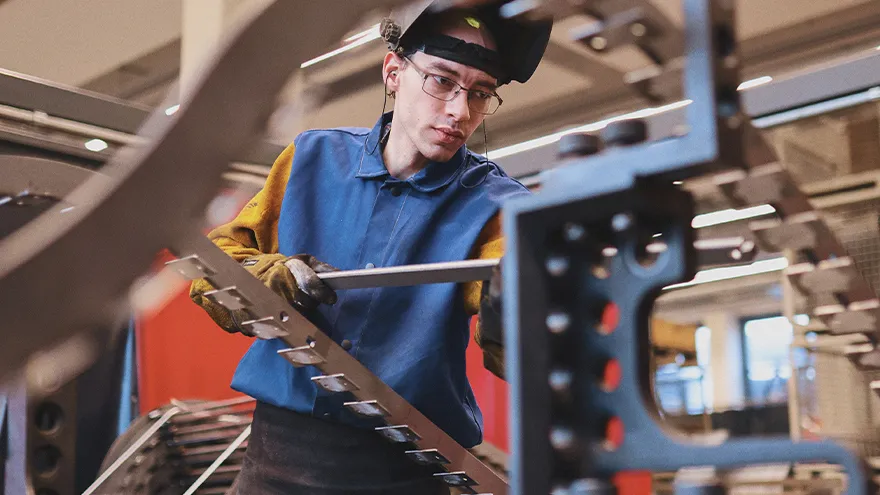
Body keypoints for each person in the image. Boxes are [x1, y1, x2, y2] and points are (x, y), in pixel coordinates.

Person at [189, 1, 551, 493]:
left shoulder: (496, 208)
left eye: (481, 93)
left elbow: (516, 335)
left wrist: (517, 309)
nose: (460, 111)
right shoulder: (312, 158)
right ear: (394, 71)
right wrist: (267, 278)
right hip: (276, 462)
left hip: (402, 469)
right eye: (442, 80)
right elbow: (214, 266)